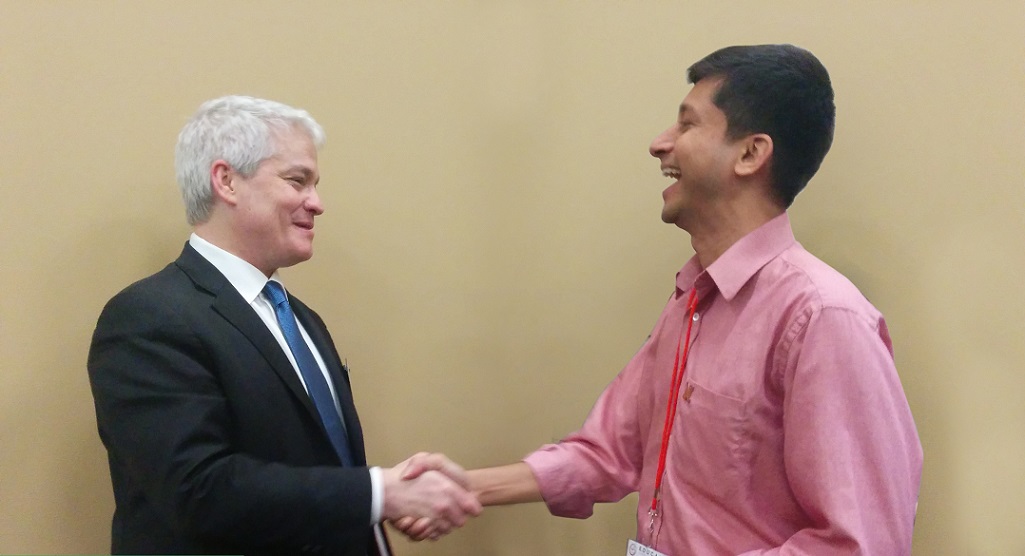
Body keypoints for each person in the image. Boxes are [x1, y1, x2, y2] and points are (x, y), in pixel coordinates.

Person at [398, 44, 924, 554]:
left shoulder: (823, 317)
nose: (659, 143)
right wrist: (465, 486)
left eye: (688, 124)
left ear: (750, 153)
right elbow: (606, 452)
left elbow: (863, 543)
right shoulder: (692, 302)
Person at [87, 95, 481, 555]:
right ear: (226, 181)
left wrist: (386, 498)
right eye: (298, 181)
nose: (317, 203)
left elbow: (313, 469)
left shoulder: (301, 319)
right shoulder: (148, 318)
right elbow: (197, 491)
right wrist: (378, 493)